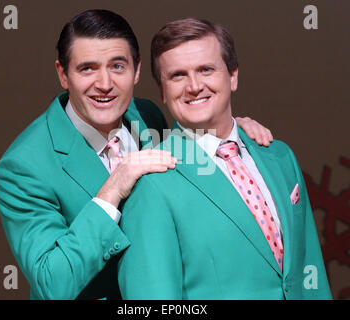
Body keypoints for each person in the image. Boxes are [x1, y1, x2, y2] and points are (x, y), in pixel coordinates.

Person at [0, 9, 273, 300]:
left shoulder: (147, 115)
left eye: (117, 66)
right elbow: (52, 283)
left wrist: (228, 132)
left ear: (137, 70)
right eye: (87, 68)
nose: (104, 84)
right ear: (63, 74)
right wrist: (113, 189)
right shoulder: (23, 166)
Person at [118, 17, 332, 299]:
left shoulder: (279, 157)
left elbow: (309, 272)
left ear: (233, 76)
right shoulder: (152, 183)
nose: (194, 86)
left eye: (206, 69)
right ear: (163, 91)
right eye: (178, 75)